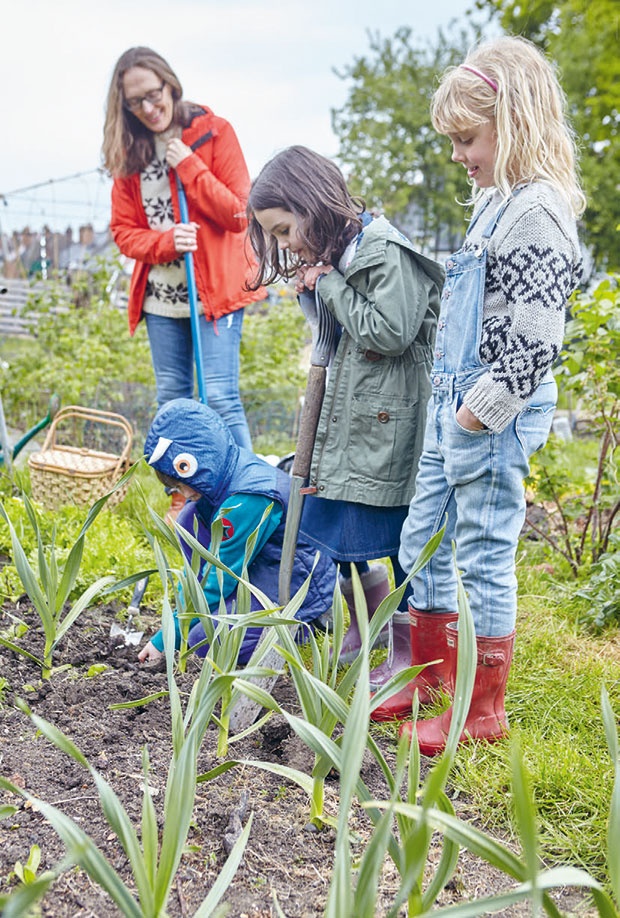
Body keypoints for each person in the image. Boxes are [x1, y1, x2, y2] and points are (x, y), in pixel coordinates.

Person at [370, 36, 585, 753]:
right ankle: (429, 677)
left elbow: (533, 341)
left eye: (469, 138)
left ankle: (480, 707)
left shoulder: (539, 215)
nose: (460, 154)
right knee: (420, 539)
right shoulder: (496, 204)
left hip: (490, 413)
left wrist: (472, 416)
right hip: (451, 406)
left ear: (516, 122)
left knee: (483, 551)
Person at [246, 146, 444, 689]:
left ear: (313, 204)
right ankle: (366, 620)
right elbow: (334, 338)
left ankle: (410, 647)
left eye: (286, 230)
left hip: (389, 427)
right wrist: (317, 291)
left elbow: (390, 330)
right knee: (332, 524)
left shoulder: (384, 252)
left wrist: (328, 284)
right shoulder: (340, 257)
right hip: (348, 422)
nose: (286, 244)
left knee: (399, 534)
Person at [102, 47, 265, 519]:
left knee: (220, 397)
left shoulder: (214, 133)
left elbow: (239, 213)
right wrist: (167, 242)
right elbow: (124, 232)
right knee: (172, 403)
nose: (149, 108)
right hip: (162, 302)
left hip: (215, 295)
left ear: (170, 84)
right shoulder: (129, 155)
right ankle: (186, 501)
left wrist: (189, 165)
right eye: (136, 102)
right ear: (125, 106)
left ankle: (252, 497)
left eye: (154, 94)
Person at [137, 398, 336, 663]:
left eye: (184, 483)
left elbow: (219, 578)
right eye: (176, 486)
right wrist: (178, 619)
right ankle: (217, 611)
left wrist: (168, 637)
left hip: (293, 579)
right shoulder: (220, 474)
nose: (185, 494)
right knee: (188, 520)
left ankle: (305, 622)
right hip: (255, 566)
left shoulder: (246, 500)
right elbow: (200, 572)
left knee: (203, 640)